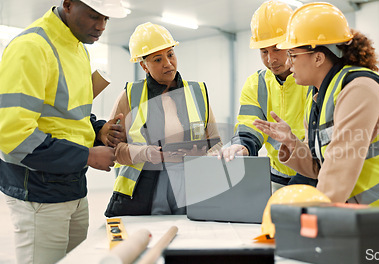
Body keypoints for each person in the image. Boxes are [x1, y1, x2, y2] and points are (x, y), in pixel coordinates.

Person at [253, 3, 379, 264]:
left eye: (293, 54)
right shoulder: (319, 98)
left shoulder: (359, 90)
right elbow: (322, 166)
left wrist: (304, 229)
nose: (288, 63)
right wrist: (291, 141)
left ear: (318, 57)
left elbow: (339, 171)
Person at [0, 0, 127, 263]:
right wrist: (88, 156)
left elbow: (68, 115)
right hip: (38, 193)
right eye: (94, 16)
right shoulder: (31, 48)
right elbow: (14, 135)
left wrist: (97, 130)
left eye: (106, 19)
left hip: (73, 187)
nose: (101, 26)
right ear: (68, 4)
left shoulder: (78, 47)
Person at [104, 22, 220, 217]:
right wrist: (144, 153)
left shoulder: (198, 93)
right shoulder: (130, 95)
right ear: (144, 66)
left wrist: (202, 155)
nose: (167, 63)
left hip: (189, 189)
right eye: (157, 59)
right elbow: (113, 149)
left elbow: (215, 142)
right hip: (140, 193)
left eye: (171, 54)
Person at [218, 0, 315, 191]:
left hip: (313, 174)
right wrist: (242, 146)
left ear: (291, 43)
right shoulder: (256, 84)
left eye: (276, 48)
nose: (271, 59)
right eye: (264, 51)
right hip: (277, 176)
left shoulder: (313, 80)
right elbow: (249, 126)